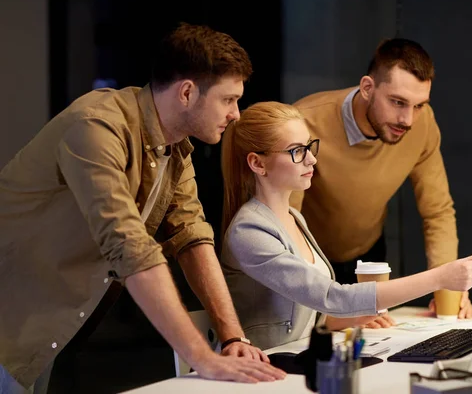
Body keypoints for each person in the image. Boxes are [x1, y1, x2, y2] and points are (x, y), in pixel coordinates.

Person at [0, 23, 285, 393]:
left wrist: (233, 339)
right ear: (187, 92)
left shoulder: (176, 149)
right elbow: (128, 244)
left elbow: (191, 236)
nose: (236, 114)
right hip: (11, 315)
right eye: (228, 99)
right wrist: (202, 359)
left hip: (49, 323)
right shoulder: (97, 126)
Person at [219, 101, 472, 350]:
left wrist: (339, 320)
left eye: (309, 147)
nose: (312, 159)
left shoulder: (294, 218)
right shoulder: (249, 231)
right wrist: (439, 278)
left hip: (296, 358)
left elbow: (302, 309)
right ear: (257, 163)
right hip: (263, 369)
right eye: (297, 151)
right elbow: (330, 296)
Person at [289, 38, 472, 319]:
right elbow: (285, 221)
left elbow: (437, 212)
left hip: (369, 254)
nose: (408, 120)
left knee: (379, 345)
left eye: (418, 105)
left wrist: (451, 292)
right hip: (308, 258)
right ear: (367, 88)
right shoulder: (303, 122)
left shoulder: (421, 124)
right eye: (398, 102)